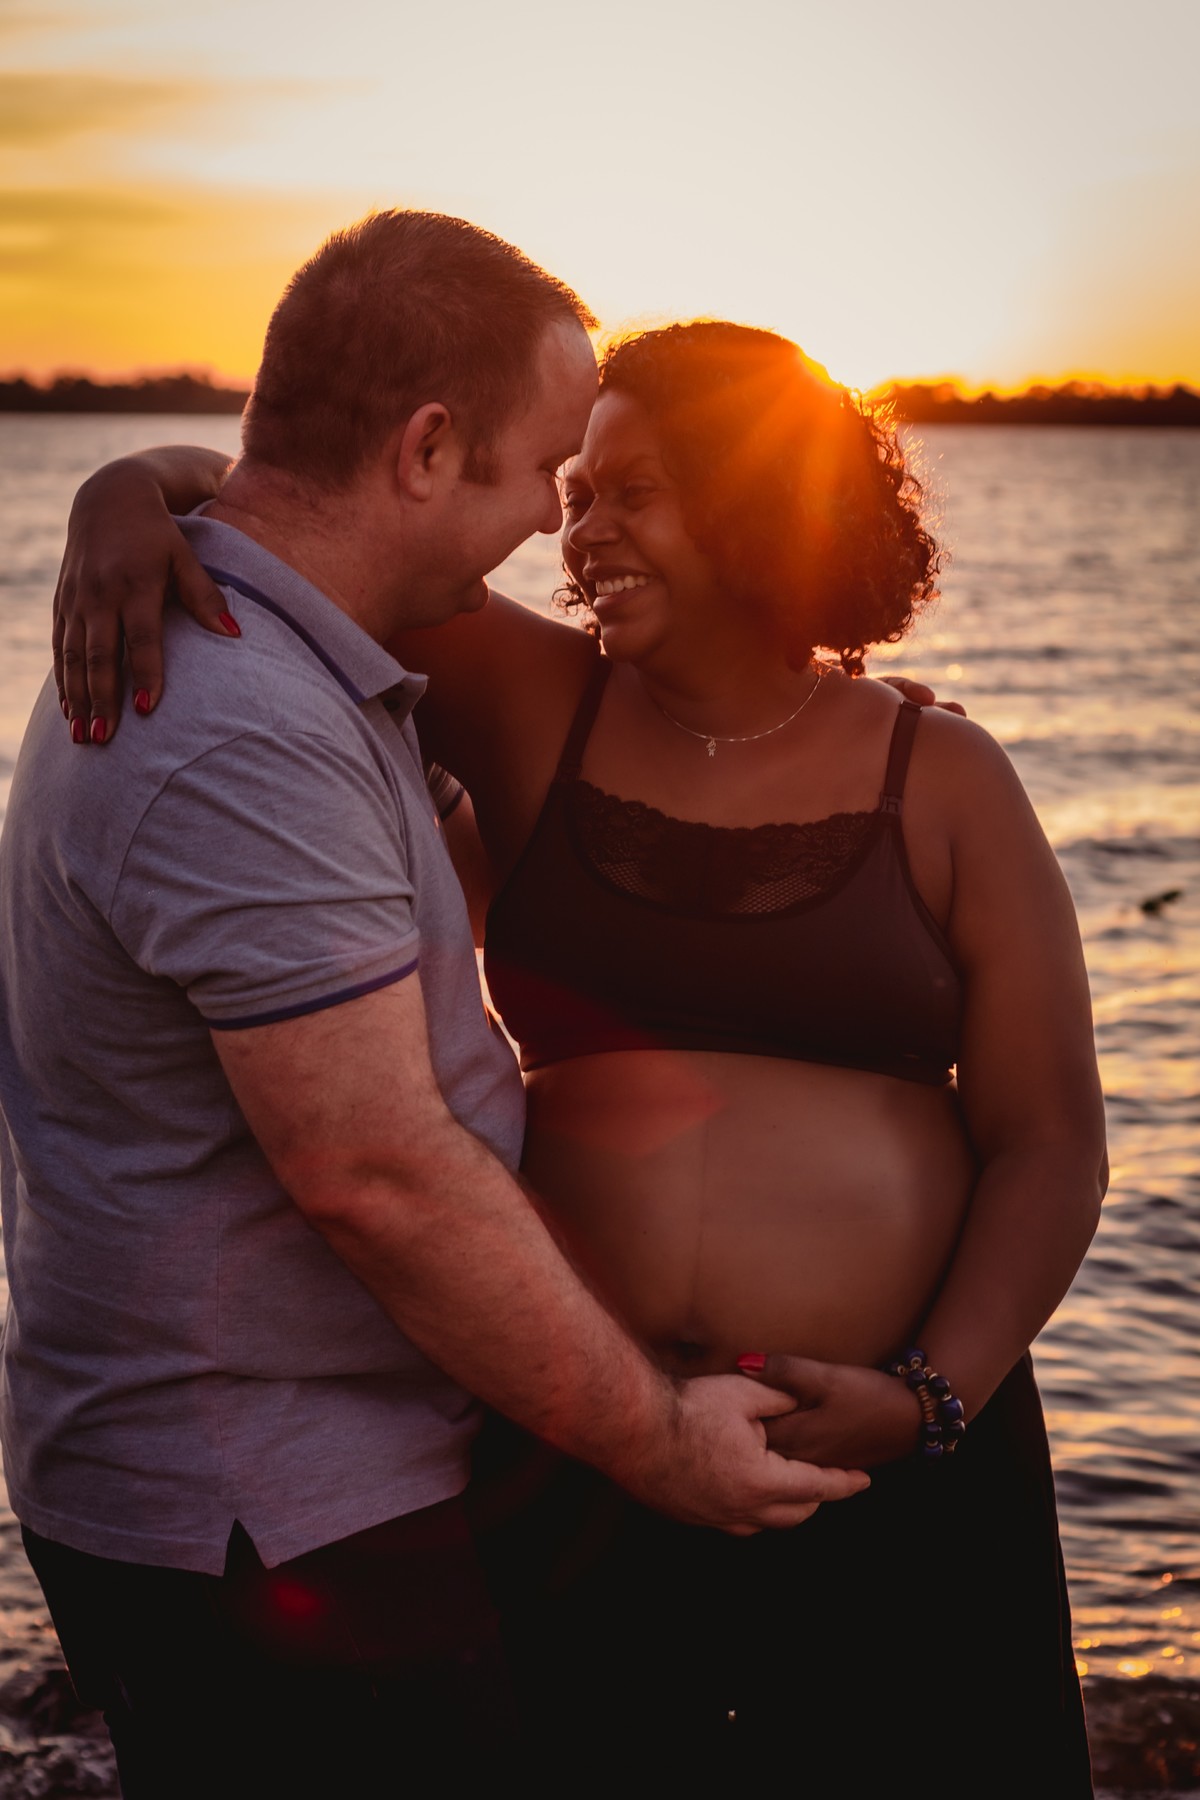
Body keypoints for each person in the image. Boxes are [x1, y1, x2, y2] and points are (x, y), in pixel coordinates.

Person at [53, 321, 1106, 1797]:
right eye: (576, 485)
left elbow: (1049, 1140)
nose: (575, 527)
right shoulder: (536, 695)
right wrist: (120, 490)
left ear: (755, 501)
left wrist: (933, 1398)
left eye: (632, 493)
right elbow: (288, 508)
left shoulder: (943, 778)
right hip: (577, 1456)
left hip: (891, 1460)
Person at [0, 219, 870, 1800]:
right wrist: (661, 1448)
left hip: (309, 1480)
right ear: (427, 448)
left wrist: (125, 483)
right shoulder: (239, 727)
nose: (550, 524)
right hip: (272, 1512)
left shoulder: (282, 650)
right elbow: (377, 1177)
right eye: (544, 469)